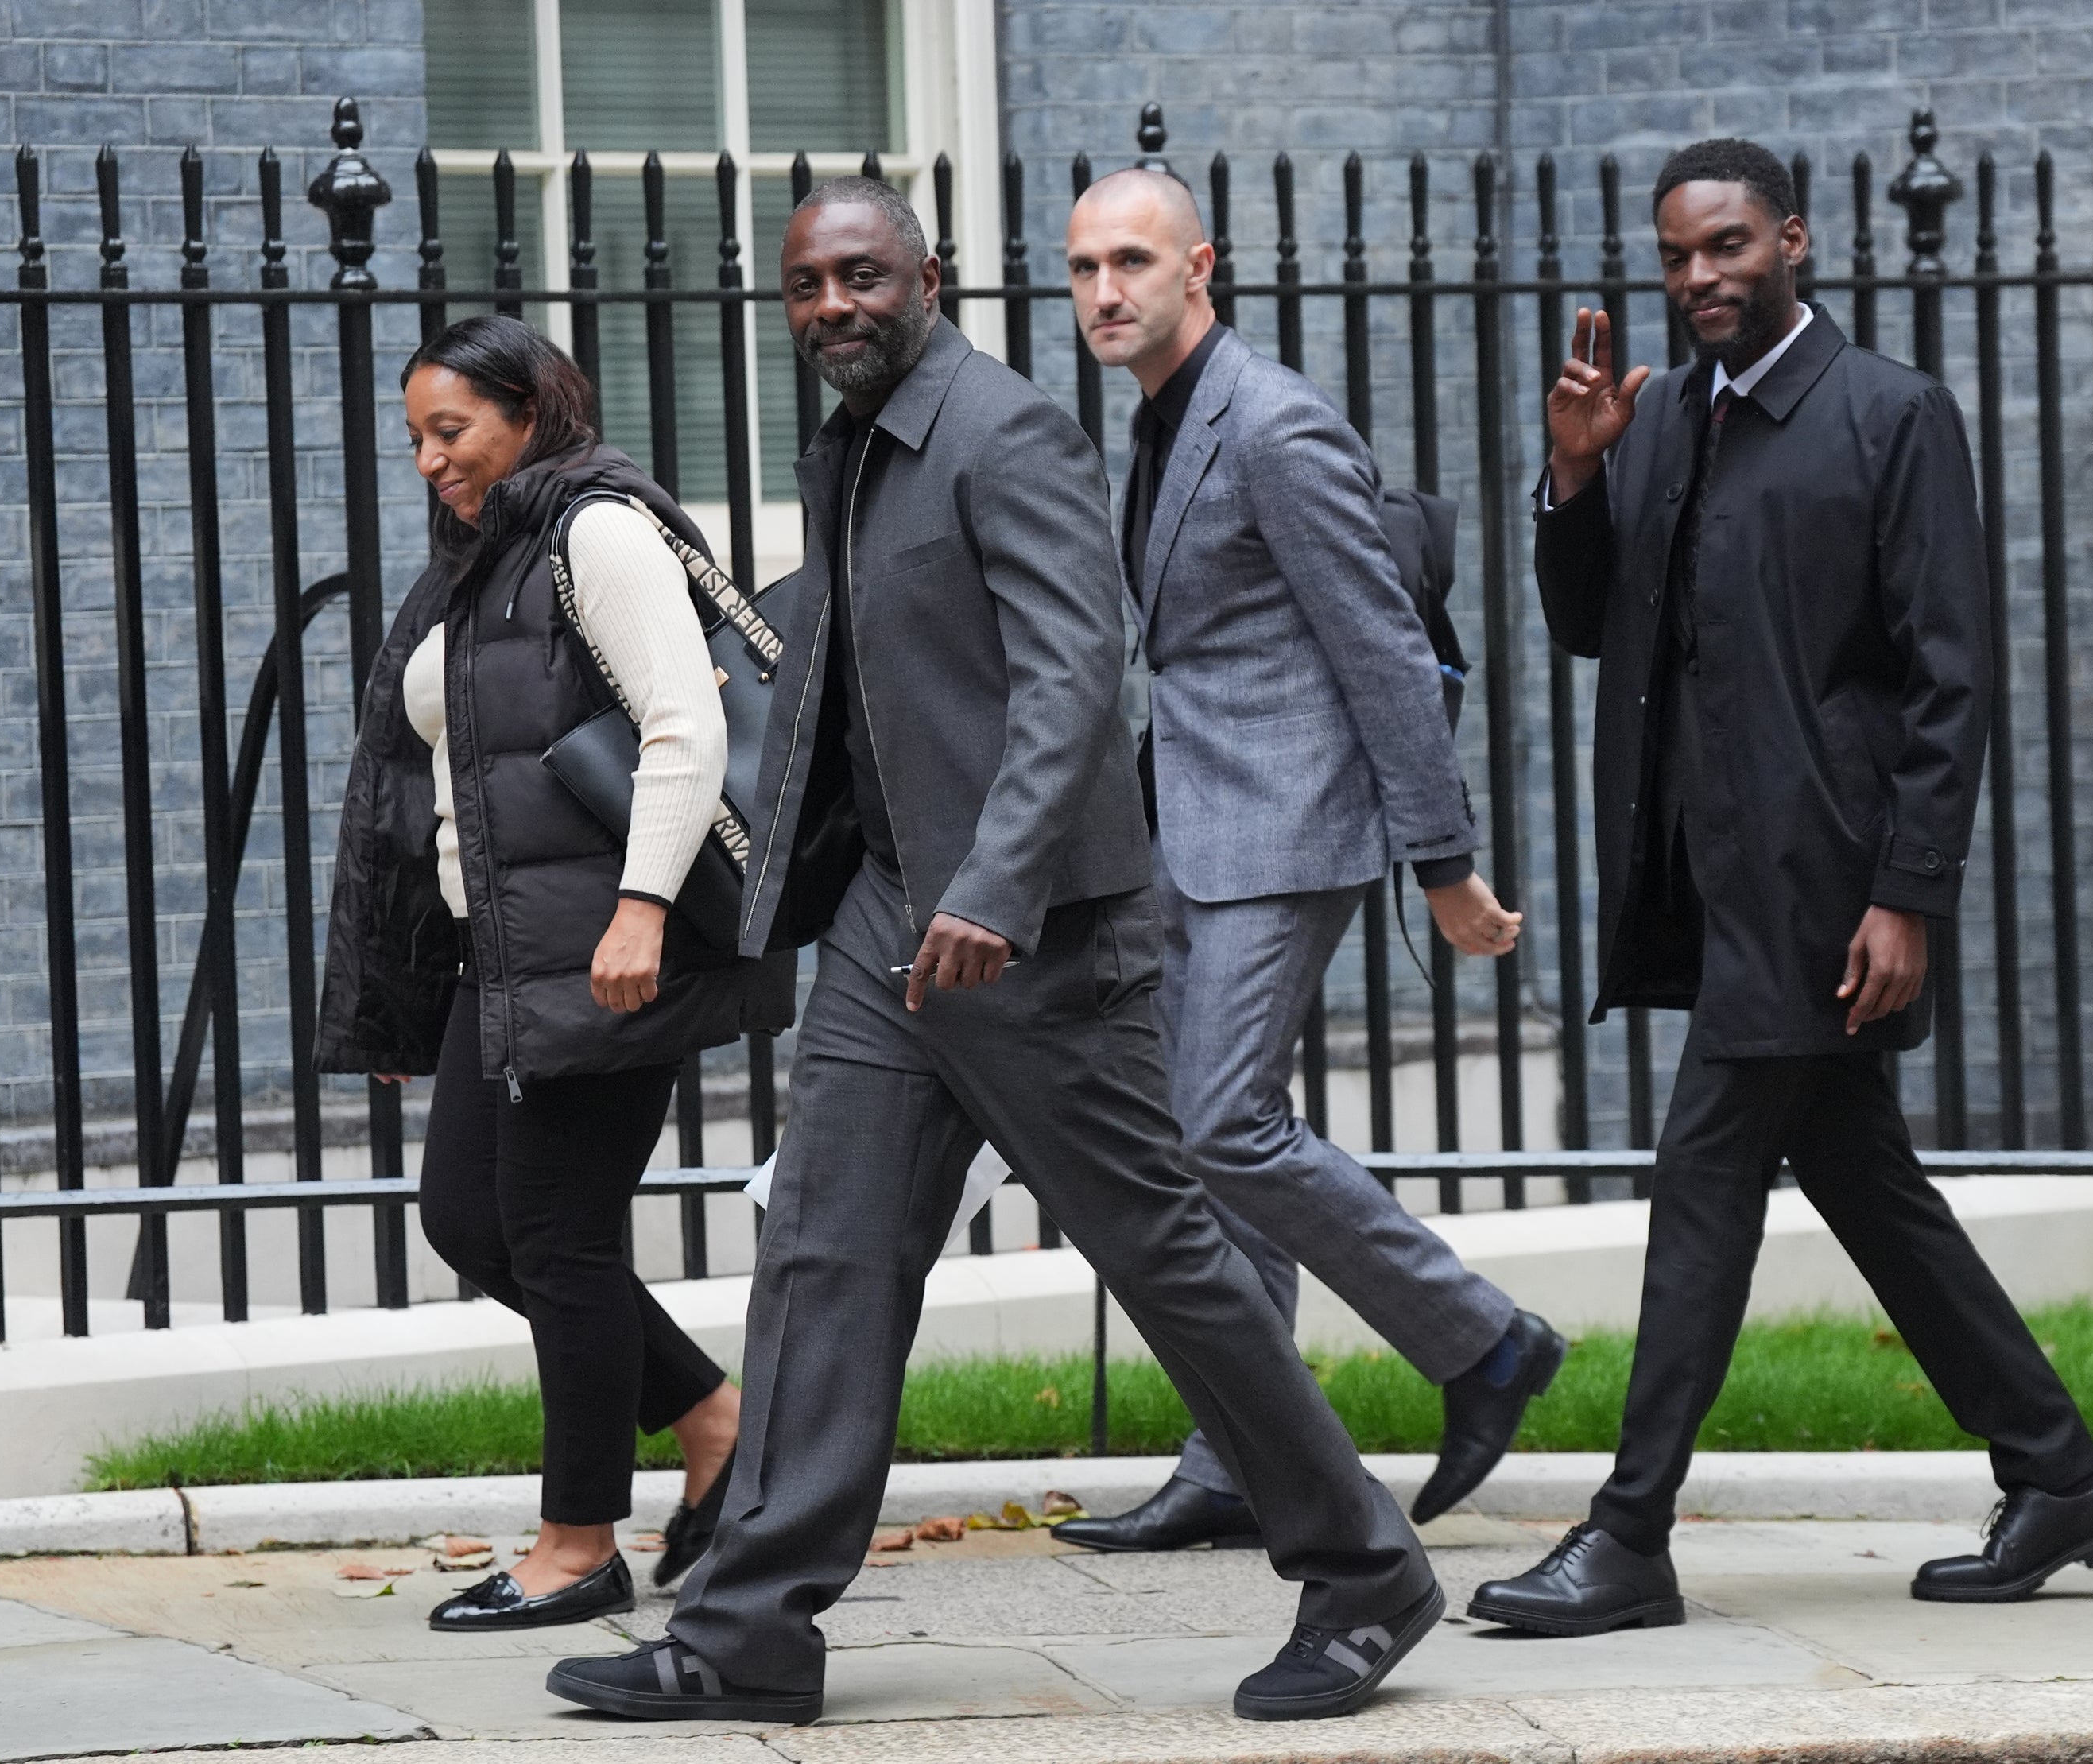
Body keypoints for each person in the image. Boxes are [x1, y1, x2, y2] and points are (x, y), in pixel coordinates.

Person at [542, 177, 1441, 1727]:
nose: (835, 307)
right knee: (824, 1250)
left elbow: (1075, 674)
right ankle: (748, 1628)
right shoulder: (848, 447)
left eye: (864, 278)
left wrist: (1001, 885)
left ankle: (1364, 1570)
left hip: (1028, 939)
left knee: (1166, 1256)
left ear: (930, 279)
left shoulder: (1004, 431)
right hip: (896, 919)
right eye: (810, 286)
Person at [1467, 139, 2093, 1638]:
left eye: (1727, 247)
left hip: (1824, 887)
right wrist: (1574, 478)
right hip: (1703, 881)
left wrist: (1908, 891)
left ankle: (1629, 1531)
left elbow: (1946, 681)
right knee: (1862, 1179)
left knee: (1704, 1178)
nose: (1701, 277)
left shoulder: (1892, 415)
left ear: (1795, 242)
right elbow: (1590, 625)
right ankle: (2059, 1474)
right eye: (1676, 257)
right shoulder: (1649, 424)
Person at [1046, 169, 1566, 1559]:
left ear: (1199, 267)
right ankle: (1237, 1455)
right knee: (1208, 1148)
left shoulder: (1272, 425)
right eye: (1086, 265)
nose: (1106, 290)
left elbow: (1385, 649)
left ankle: (1484, 1341)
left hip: (1286, 826)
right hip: (1195, 825)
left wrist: (1442, 860)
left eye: (1133, 261)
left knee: (1224, 1125)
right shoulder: (1160, 424)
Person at [316, 315, 791, 1631]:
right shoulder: (489, 561)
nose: (427, 459)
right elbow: (445, 785)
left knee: (559, 1238)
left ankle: (580, 1544)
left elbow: (685, 728)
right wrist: (407, 987)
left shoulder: (596, 531)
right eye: (413, 436)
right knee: (470, 1218)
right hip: (509, 953)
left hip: (601, 947)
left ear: (531, 415)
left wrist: (641, 908)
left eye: (451, 431)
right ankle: (711, 1417)